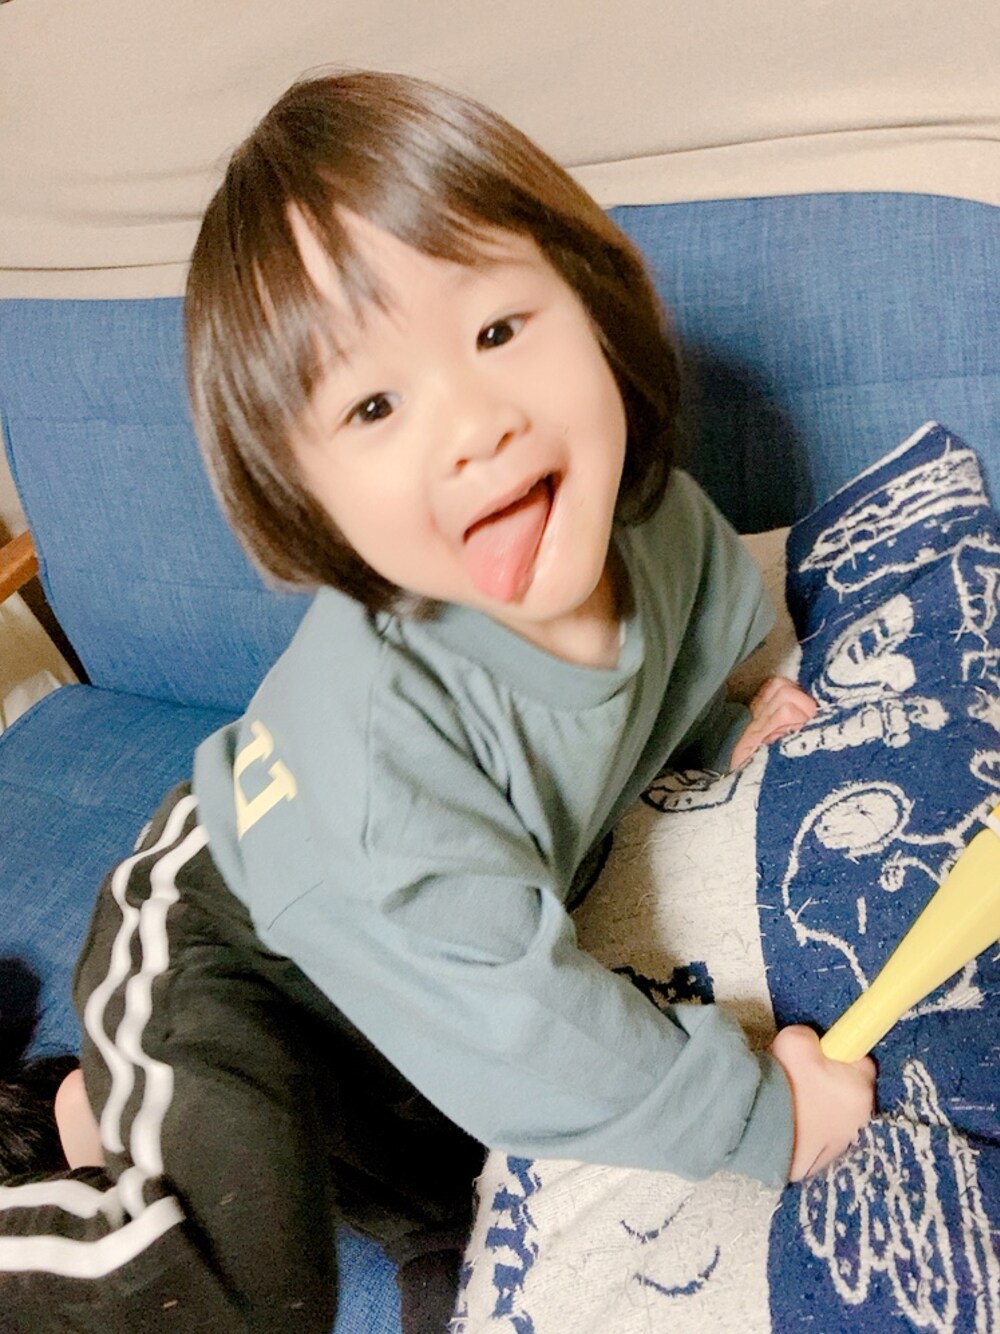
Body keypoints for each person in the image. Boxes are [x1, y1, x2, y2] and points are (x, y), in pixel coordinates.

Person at [0, 70, 875, 1333]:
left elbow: (691, 655)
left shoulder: (669, 528)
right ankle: (115, 1125)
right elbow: (524, 1027)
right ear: (304, 502)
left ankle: (88, 1110)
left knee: (489, 1207)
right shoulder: (384, 750)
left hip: (398, 995)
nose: (471, 425)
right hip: (234, 932)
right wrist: (761, 1115)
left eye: (498, 330)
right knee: (244, 1282)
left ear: (600, 300)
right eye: (373, 405)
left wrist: (739, 711)